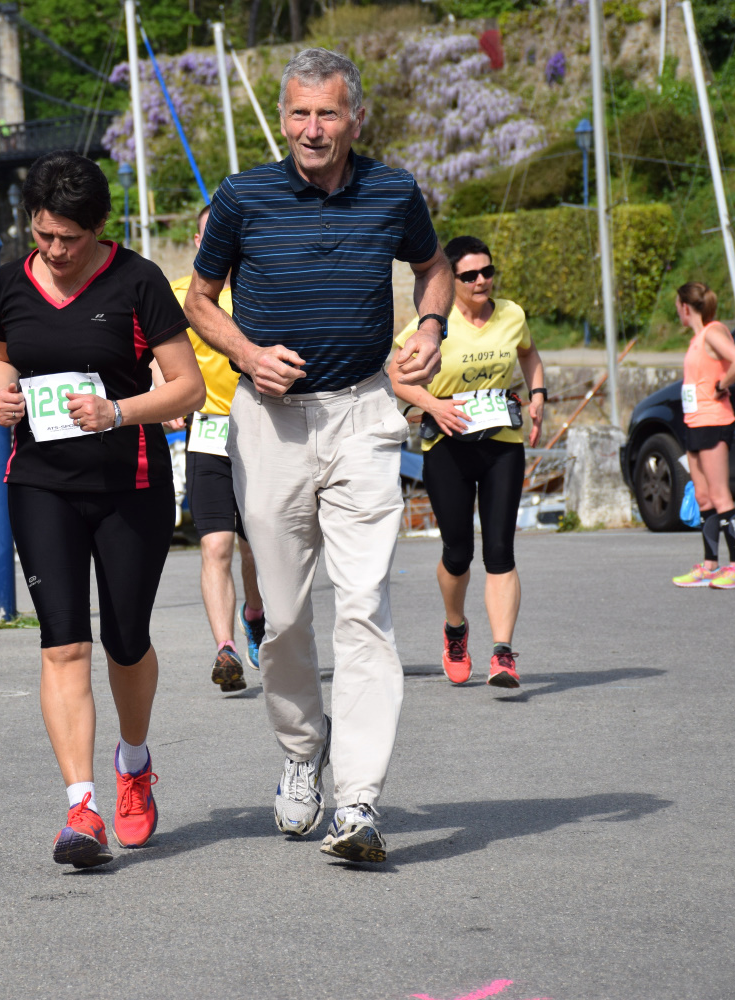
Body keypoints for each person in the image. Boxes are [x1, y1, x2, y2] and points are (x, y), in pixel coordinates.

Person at [183, 48, 452, 864]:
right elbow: (198, 299)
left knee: (365, 605)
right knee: (286, 616)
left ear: (354, 119)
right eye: (299, 113)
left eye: (327, 113)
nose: (312, 129)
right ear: (283, 119)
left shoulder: (394, 191)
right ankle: (303, 751)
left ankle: (359, 800)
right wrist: (244, 352)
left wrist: (431, 327)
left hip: (364, 413)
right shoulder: (243, 196)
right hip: (269, 421)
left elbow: (433, 268)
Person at [0, 150, 205, 869]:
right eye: (43, 234)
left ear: (100, 228)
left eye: (69, 239)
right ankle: (82, 808)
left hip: (128, 483)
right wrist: (1, 393)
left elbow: (189, 387)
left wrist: (118, 411)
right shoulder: (10, 282)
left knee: (126, 641)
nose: (55, 250)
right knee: (63, 643)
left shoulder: (138, 281)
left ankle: (133, 764)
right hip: (39, 481)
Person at [390, 236, 547, 690]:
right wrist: (433, 406)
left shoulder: (511, 314)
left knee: (500, 551)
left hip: (502, 443)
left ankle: (502, 653)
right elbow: (396, 376)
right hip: (447, 446)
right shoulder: (431, 327)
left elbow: (528, 353)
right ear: (452, 279)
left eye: (487, 272)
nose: (482, 281)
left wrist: (537, 393)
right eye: (470, 275)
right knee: (458, 553)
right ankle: (455, 629)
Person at [170, 204, 265, 693]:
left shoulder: (259, 288)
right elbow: (154, 353)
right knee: (215, 544)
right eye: (210, 234)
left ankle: (255, 614)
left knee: (255, 547)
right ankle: (225, 648)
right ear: (197, 241)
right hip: (207, 432)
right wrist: (163, 392)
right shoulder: (178, 296)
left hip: (259, 430)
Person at [670, 281, 735, 589]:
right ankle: (709, 566)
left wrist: (721, 385)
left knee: (719, 495)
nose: (677, 311)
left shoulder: (712, 331)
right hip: (694, 422)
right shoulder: (697, 339)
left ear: (685, 307)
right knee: (703, 497)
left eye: (677, 306)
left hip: (714, 422)